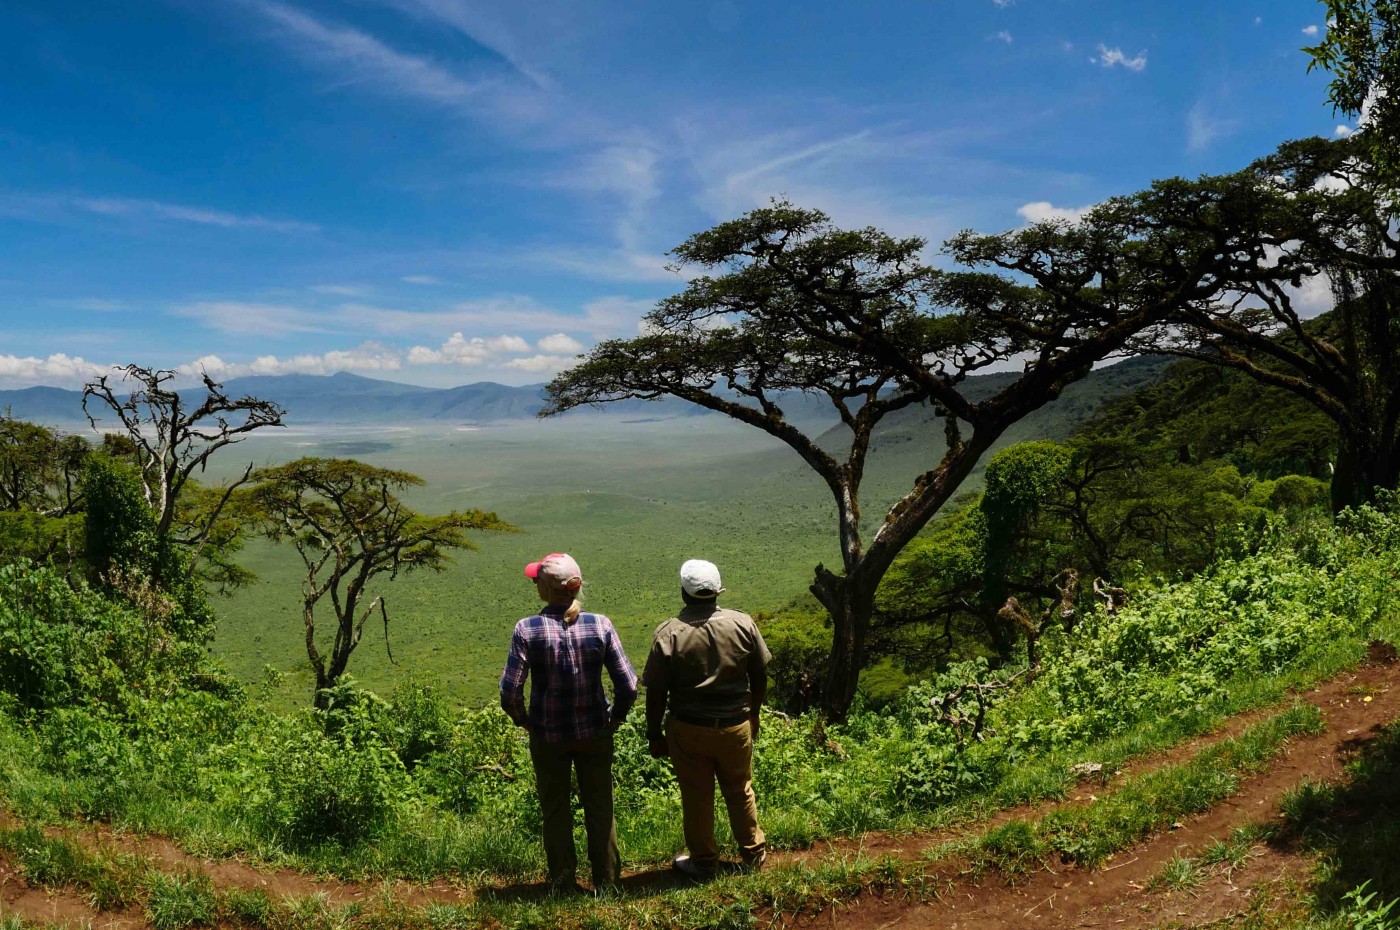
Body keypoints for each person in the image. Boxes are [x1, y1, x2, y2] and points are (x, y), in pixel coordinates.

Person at [499, 552, 638, 894]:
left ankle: (562, 882)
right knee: (600, 805)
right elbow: (629, 684)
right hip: (595, 731)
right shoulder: (600, 625)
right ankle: (606, 882)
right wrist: (616, 718)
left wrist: (525, 722)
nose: (534, 584)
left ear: (546, 589)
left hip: (548, 735)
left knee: (555, 808)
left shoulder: (526, 629)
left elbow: (510, 691)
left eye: (537, 581)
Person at [643, 558, 771, 879]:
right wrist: (753, 713)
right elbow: (760, 674)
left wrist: (654, 735)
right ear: (717, 592)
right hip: (735, 724)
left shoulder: (668, 634)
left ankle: (703, 863)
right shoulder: (743, 624)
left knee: (697, 797)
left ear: (684, 594)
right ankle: (754, 854)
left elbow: (656, 693)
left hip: (689, 729)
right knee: (740, 788)